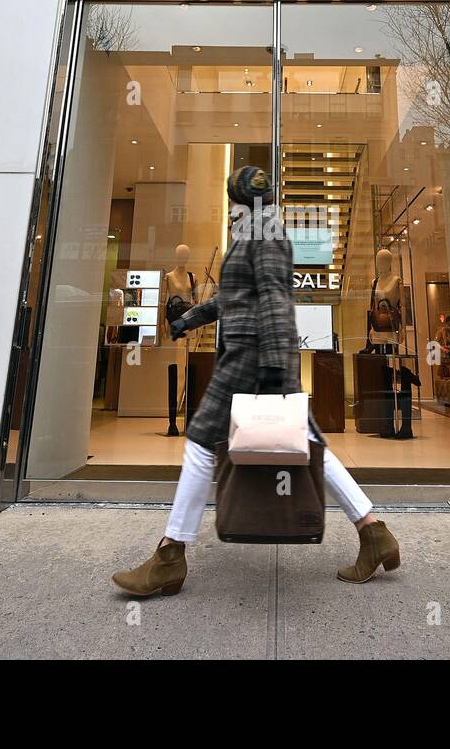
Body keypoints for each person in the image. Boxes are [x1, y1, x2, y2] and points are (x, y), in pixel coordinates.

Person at [112, 165, 401, 597]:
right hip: (255, 358)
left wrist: (271, 369)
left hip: (250, 360)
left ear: (242, 201)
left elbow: (274, 298)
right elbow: (235, 297)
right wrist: (187, 320)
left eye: (233, 201)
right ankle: (373, 531)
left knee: (199, 444)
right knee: (307, 443)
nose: (230, 209)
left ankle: (170, 556)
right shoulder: (254, 233)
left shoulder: (264, 234)